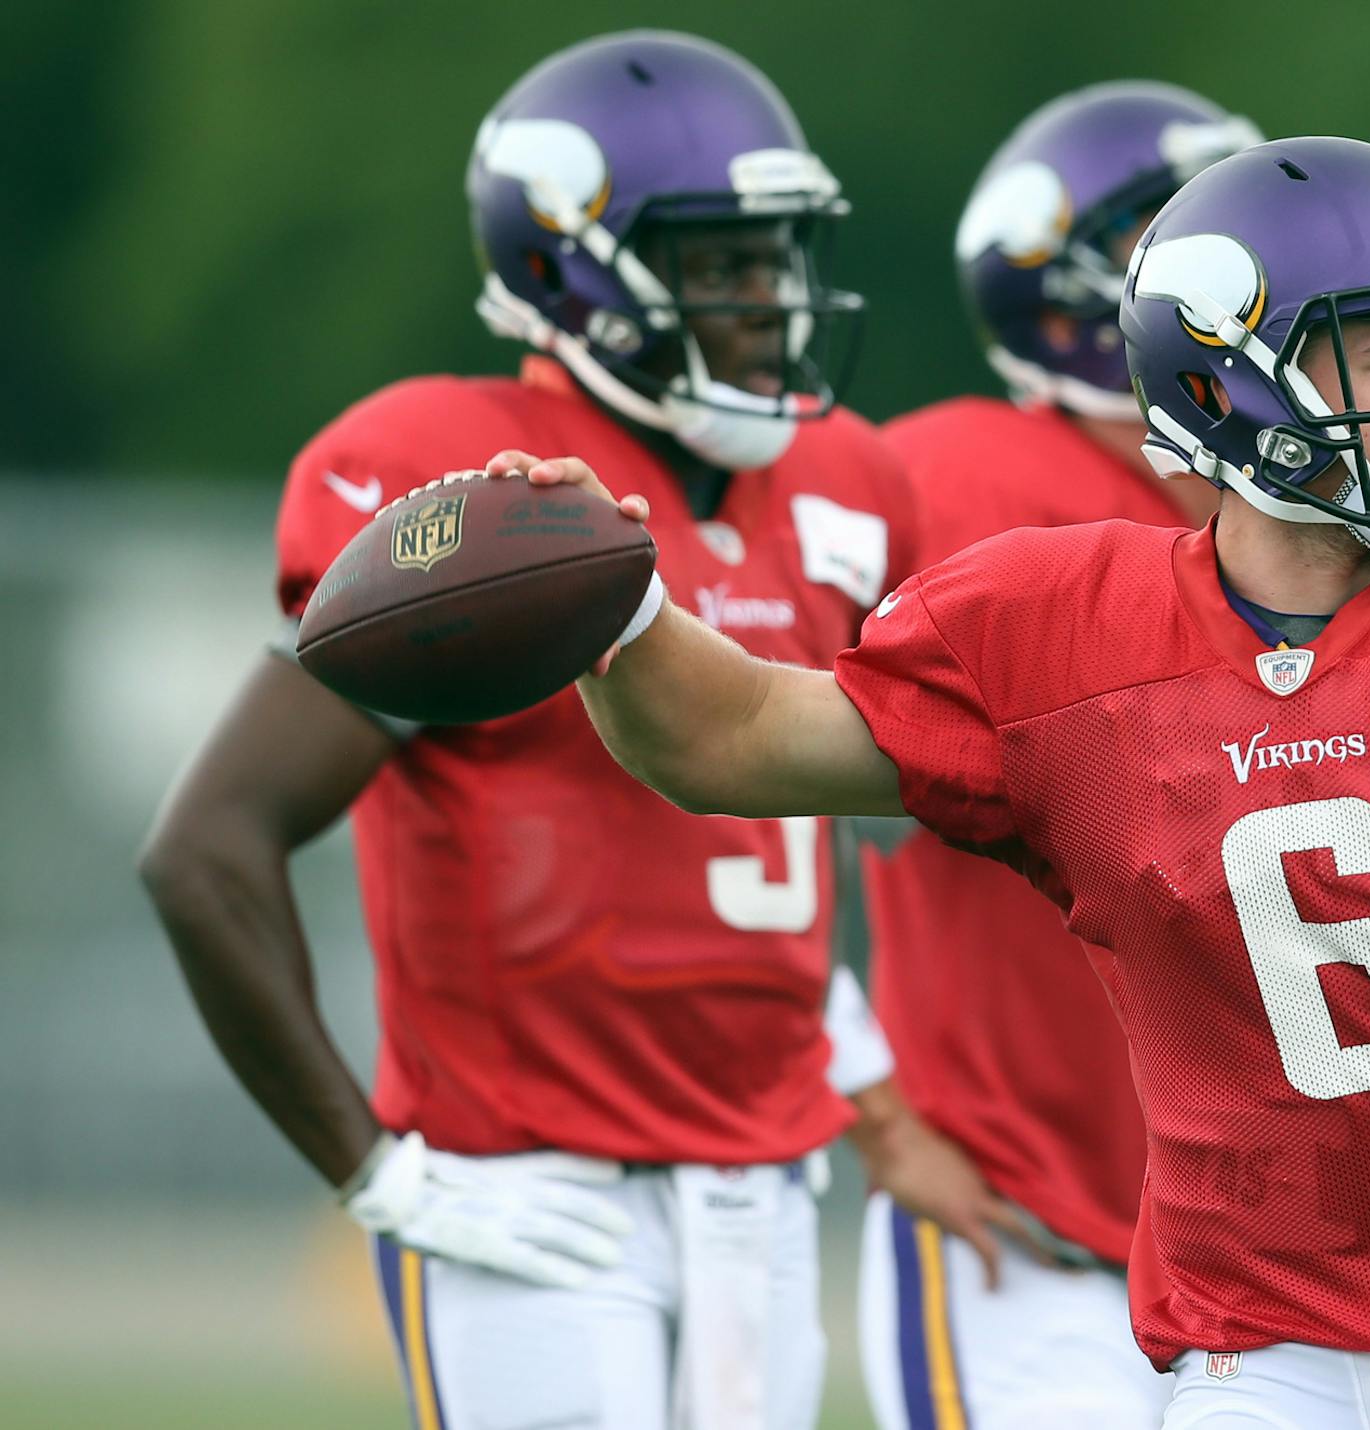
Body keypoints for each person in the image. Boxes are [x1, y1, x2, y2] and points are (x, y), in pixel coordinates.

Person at [493, 135, 1370, 1430]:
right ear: (1228, 378)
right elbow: (728, 740)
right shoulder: (1056, 625)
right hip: (1272, 1371)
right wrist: (615, 611)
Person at [137, 31, 997, 1430]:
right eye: (725, 264)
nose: (769, 302)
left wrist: (864, 1080)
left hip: (765, 1194)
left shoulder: (851, 483)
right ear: (569, 273)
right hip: (536, 1184)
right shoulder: (472, 499)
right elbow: (205, 848)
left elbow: (783, 866)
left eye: (778, 259)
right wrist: (378, 1169)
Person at [853, 80, 1258, 1430]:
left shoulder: (1294, 517)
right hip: (1026, 1238)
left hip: (1261, 1269)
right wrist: (856, 1091)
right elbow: (724, 778)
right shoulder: (954, 479)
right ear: (1084, 293)